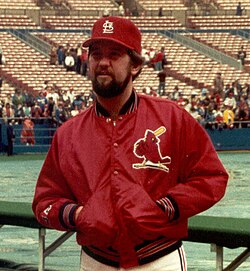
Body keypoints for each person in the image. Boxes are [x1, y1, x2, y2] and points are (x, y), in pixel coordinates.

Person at [32, 16, 228, 271]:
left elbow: (212, 177)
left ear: (134, 65)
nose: (103, 62)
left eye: (114, 54)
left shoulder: (171, 118)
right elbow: (44, 201)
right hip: (95, 261)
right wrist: (78, 215)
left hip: (159, 259)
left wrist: (165, 207)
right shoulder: (68, 134)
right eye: (96, 54)